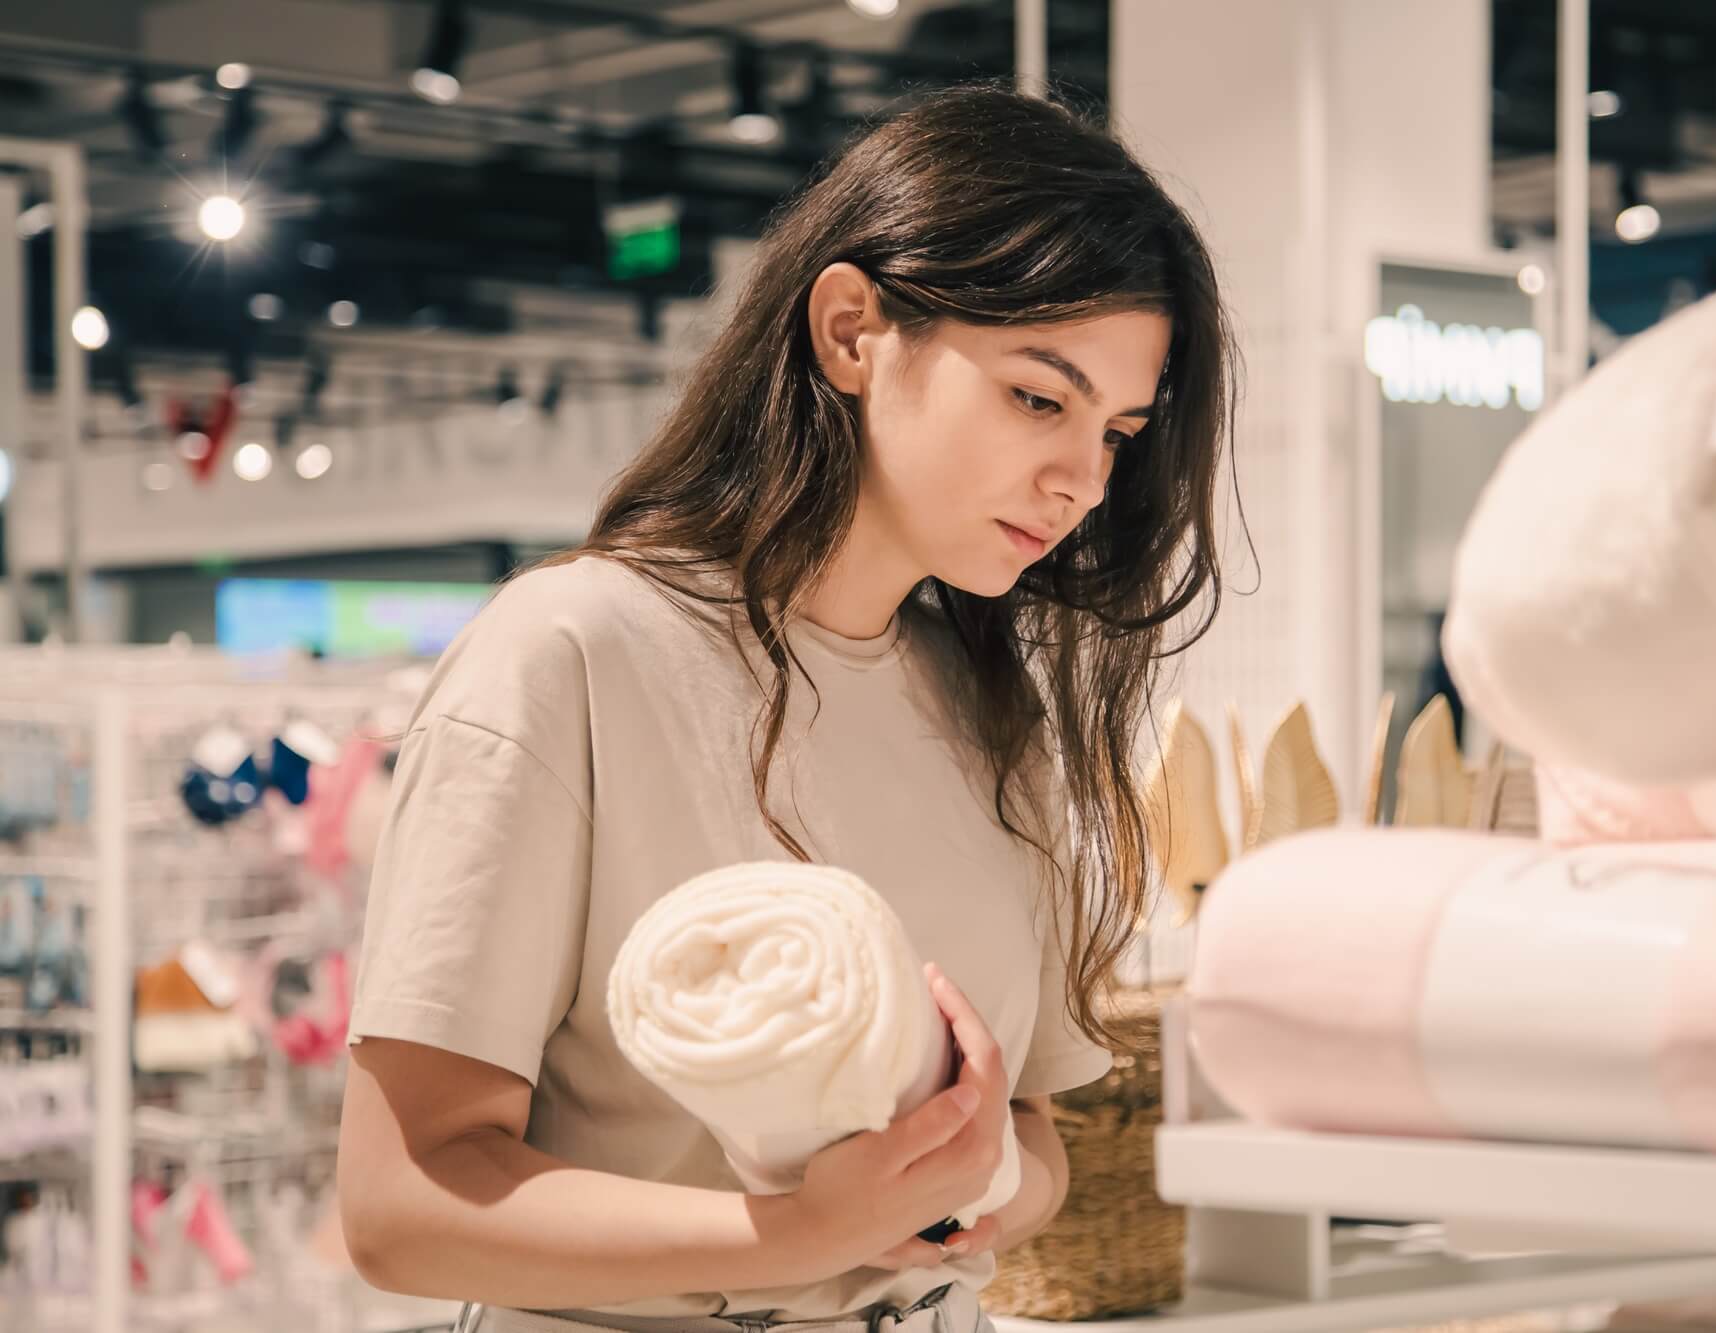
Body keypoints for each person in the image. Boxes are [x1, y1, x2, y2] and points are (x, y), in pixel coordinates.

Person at [334, 83, 1236, 1333]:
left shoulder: (993, 708)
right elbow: (402, 1203)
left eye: (1119, 431)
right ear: (852, 331)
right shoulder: (572, 654)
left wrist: (977, 1186)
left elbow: (1031, 1134)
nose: (1081, 478)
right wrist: (799, 1235)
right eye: (1040, 397)